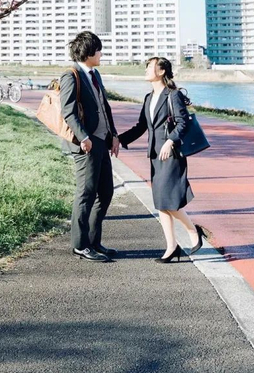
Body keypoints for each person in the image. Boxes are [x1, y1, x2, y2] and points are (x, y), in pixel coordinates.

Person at [118, 56, 205, 263]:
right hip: (155, 155)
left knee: (170, 202)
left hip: (170, 154)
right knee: (161, 203)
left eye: (150, 67)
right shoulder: (149, 98)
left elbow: (183, 122)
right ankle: (171, 247)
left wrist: (171, 141)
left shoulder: (172, 95)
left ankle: (193, 232)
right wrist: (118, 139)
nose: (146, 70)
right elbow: (141, 126)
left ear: (162, 71)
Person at [60, 31, 120, 262]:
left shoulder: (95, 75)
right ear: (89, 52)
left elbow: (105, 107)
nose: (102, 54)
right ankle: (80, 245)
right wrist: (83, 136)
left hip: (101, 142)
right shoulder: (71, 75)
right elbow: (69, 111)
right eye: (99, 50)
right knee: (85, 194)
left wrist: (113, 135)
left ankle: (94, 241)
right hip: (85, 144)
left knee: (105, 192)